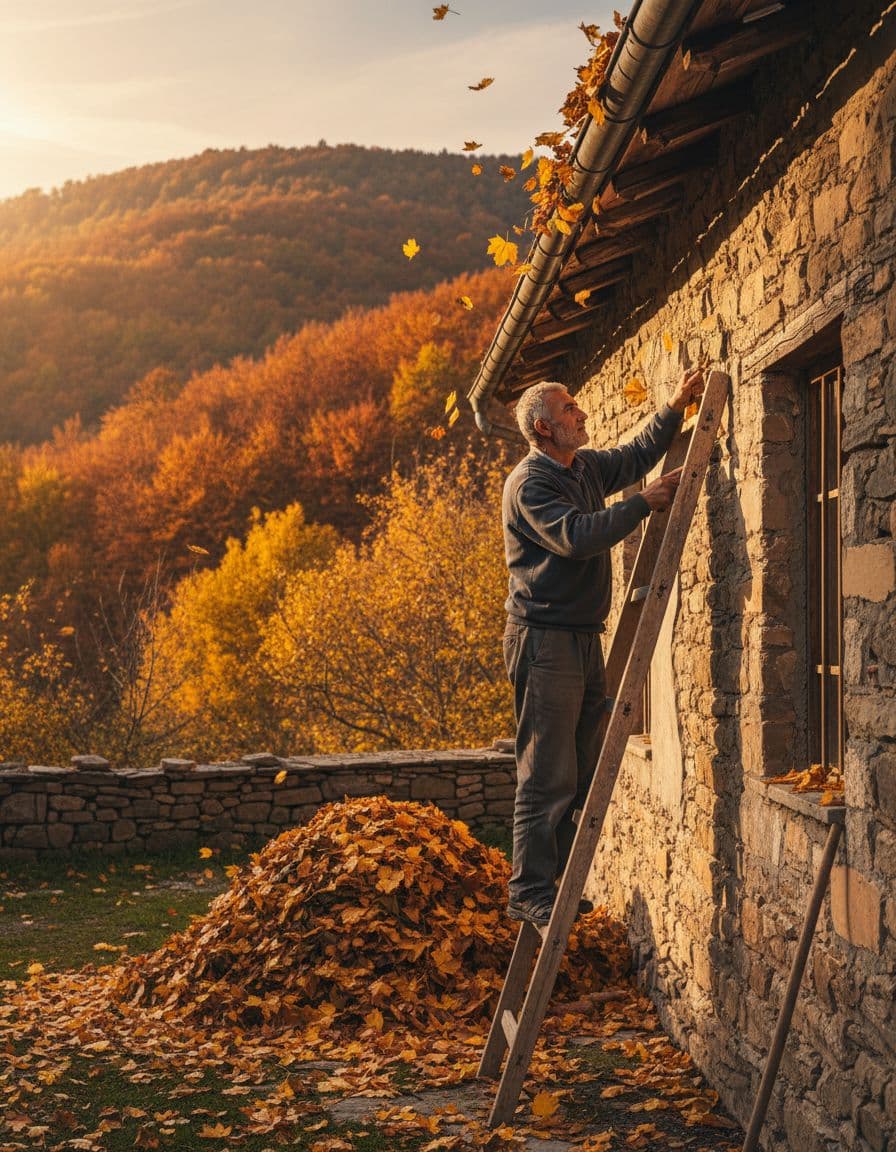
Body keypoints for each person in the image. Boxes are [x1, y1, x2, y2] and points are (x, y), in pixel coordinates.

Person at [502, 368, 705, 927]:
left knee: (581, 767)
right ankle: (530, 890)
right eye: (570, 409)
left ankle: (557, 885)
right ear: (544, 428)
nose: (581, 413)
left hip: (580, 637)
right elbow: (578, 536)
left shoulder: (585, 466)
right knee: (547, 771)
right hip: (543, 641)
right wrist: (645, 503)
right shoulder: (529, 485)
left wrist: (673, 406)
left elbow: (638, 454)